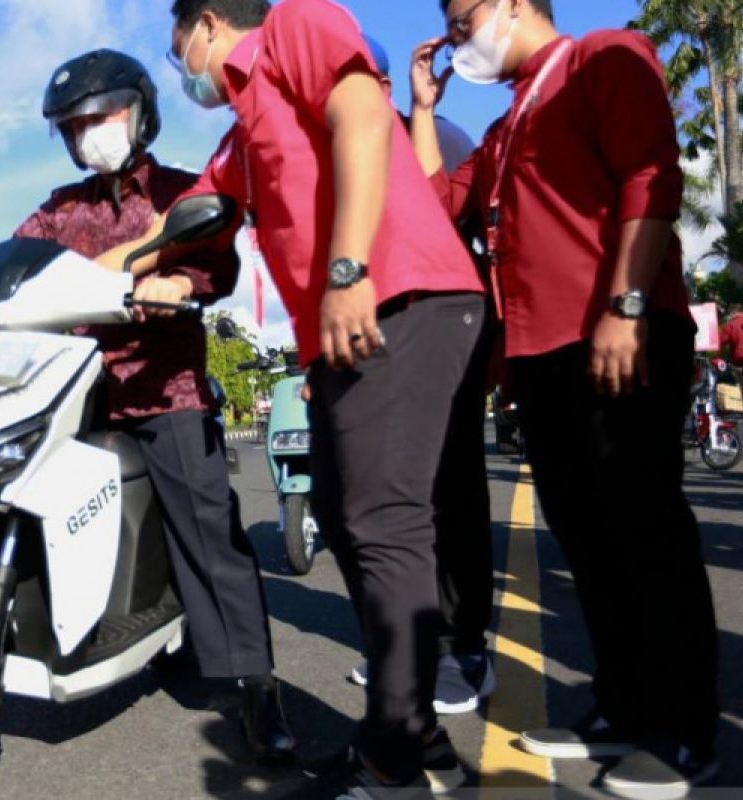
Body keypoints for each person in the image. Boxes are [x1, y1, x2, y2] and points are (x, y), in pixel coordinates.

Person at [100, 1, 486, 794]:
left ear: (204, 23)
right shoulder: (242, 132)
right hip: (354, 326)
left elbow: (362, 119)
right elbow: (181, 224)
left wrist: (347, 271)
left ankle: (393, 762)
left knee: (385, 526)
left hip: (399, 295)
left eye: (177, 48)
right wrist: (54, 281)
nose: (182, 67)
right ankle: (416, 737)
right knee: (348, 520)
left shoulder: (297, 28)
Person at [0, 49, 296, 762]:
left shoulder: (181, 192)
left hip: (162, 393)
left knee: (208, 533)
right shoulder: (61, 209)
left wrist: (181, 285)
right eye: (76, 124)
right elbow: (8, 263)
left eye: (101, 116)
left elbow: (215, 255)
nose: (90, 131)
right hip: (72, 390)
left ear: (139, 113)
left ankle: (255, 686)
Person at [409, 0, 720, 795]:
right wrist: (421, 108)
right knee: (585, 539)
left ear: (516, 5)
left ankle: (685, 729)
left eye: (462, 17)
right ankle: (620, 706)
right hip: (537, 354)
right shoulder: (505, 124)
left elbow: (651, 174)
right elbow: (435, 204)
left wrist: (627, 305)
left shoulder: (600, 57)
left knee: (645, 531)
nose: (454, 36)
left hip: (614, 330)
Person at [347, 35, 498, 719]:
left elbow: (449, 212)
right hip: (372, 331)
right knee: (393, 493)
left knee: (451, 488)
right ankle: (414, 641)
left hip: (442, 325)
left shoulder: (444, 136)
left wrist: (421, 113)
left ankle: (466, 645)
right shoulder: (336, 146)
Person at [719, 302, 743, 409]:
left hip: (739, 360)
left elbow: (721, 342)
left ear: (733, 312)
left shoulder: (731, 325)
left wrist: (718, 356)